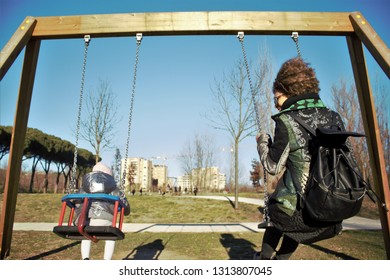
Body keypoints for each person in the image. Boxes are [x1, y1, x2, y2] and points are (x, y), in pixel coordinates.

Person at [255, 57, 342, 260]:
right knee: (288, 214)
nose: (276, 105)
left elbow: (272, 166)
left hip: (300, 211)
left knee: (281, 210)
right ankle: (280, 260)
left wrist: (262, 141)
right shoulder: (334, 116)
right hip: (333, 204)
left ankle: (264, 260)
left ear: (290, 92)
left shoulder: (287, 120)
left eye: (277, 98)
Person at [75, 162, 130, 260]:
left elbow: (76, 203)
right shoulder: (114, 189)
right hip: (105, 221)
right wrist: (125, 210)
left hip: (85, 220)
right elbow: (126, 208)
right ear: (109, 176)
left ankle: (85, 258)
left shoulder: (83, 188)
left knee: (85, 236)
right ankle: (106, 260)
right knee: (110, 237)